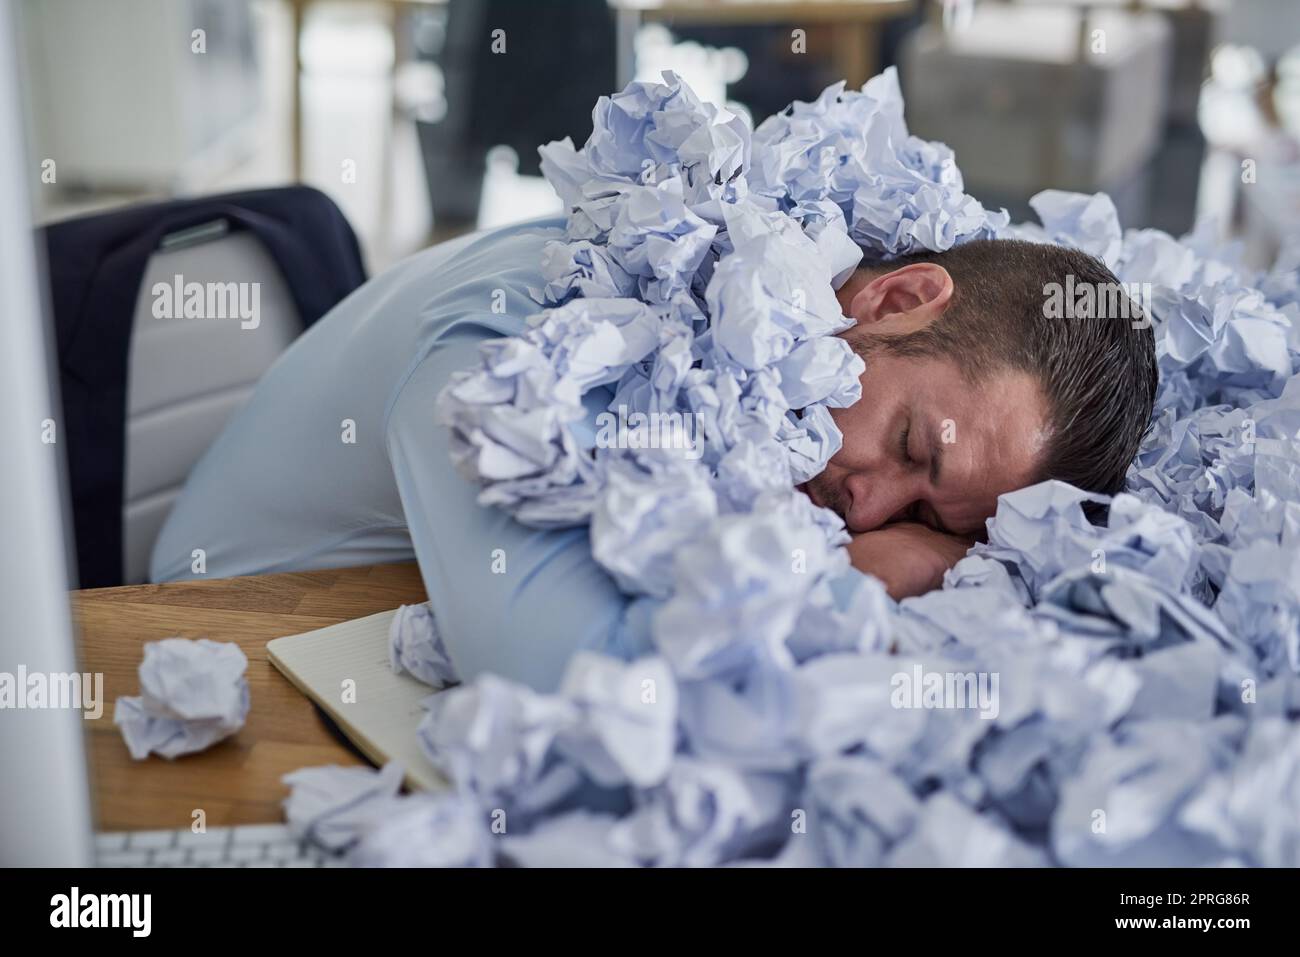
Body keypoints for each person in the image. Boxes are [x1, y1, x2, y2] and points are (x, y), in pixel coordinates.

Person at [150, 218, 1155, 691]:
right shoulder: (536, 338)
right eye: (908, 448)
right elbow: (574, 677)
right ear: (893, 300)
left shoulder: (806, 355)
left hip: (414, 616)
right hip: (237, 644)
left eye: (929, 520)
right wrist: (868, 574)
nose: (864, 510)